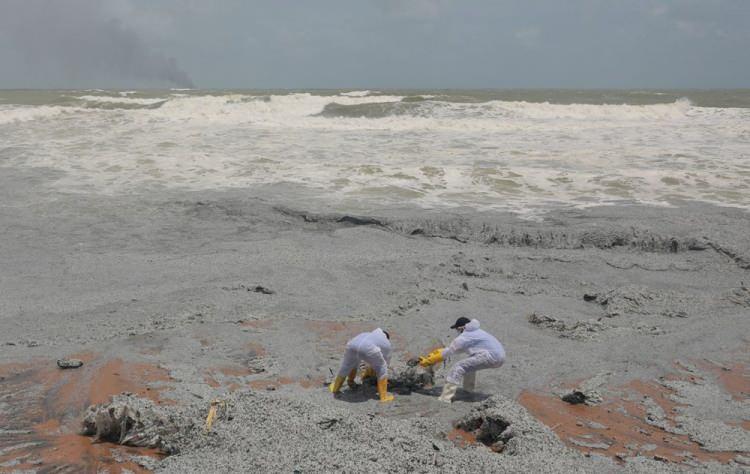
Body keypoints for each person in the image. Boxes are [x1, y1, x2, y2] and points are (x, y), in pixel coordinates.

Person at [419, 317, 505, 403]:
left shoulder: (465, 336)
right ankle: (468, 390)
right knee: (469, 364)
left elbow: (449, 351)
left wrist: (428, 361)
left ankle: (446, 397)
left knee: (459, 367)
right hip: (500, 356)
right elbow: (456, 350)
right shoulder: (477, 332)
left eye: (457, 329)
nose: (457, 331)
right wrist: (433, 355)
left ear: (461, 328)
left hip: (491, 356)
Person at [329, 328, 394, 403]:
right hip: (368, 348)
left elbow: (360, 347)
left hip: (351, 345)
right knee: (382, 368)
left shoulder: (365, 333)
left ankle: (337, 387)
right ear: (386, 337)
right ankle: (384, 397)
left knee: (348, 365)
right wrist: (372, 371)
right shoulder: (386, 342)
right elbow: (384, 362)